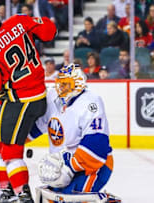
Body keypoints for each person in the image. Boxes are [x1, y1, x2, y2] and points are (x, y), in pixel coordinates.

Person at [0, 1, 56, 202]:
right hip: (40, 96)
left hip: (19, 102)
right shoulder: (19, 20)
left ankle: (22, 195)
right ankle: (6, 191)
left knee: (8, 150)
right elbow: (50, 31)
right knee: (5, 144)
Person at [28, 64, 114, 201]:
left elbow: (98, 144)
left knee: (72, 198)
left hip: (93, 166)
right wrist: (13, 142)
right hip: (63, 166)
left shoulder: (91, 102)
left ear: (78, 85)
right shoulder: (52, 97)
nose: (61, 88)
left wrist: (70, 166)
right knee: (52, 198)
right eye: (60, 83)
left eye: (66, 84)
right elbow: (38, 126)